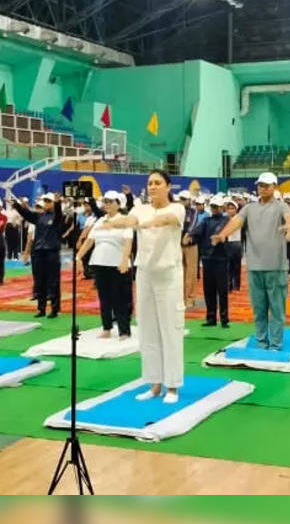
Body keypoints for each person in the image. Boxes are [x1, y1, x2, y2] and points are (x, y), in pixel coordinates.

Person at [100, 170, 186, 403]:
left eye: (158, 183)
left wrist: (145, 224)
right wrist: (114, 223)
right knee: (147, 329)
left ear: (168, 186)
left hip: (168, 273)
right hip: (145, 272)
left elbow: (164, 220)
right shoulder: (140, 209)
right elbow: (130, 220)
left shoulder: (177, 208)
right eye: (150, 183)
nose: (153, 187)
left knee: (170, 328)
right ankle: (154, 383)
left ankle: (172, 386)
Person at [211, 172, 290, 351]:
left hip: (276, 266)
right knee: (259, 309)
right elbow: (236, 221)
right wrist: (222, 235)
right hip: (254, 266)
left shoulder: (281, 206)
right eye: (260, 185)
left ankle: (276, 344)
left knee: (277, 309)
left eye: (266, 185)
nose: (262, 188)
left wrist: (288, 227)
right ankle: (262, 342)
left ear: (274, 187)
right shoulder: (249, 208)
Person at [79, 191, 135, 338]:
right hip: (99, 262)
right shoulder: (100, 221)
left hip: (117, 264)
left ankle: (124, 330)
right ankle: (107, 327)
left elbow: (129, 242)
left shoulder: (125, 220)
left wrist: (125, 259)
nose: (107, 204)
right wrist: (78, 257)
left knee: (120, 298)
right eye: (105, 201)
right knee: (104, 298)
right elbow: (89, 241)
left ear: (119, 203)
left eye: (111, 201)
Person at [14, 192, 64, 318]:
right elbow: (27, 214)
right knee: (39, 281)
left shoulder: (57, 217)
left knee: (53, 282)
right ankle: (41, 309)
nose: (46, 203)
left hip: (52, 252)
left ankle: (54, 308)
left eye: (49, 201)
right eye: (45, 201)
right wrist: (16, 205)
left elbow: (58, 214)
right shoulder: (39, 217)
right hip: (39, 252)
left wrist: (58, 203)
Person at [191, 195, 232, 329]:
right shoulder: (206, 221)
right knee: (209, 290)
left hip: (221, 259)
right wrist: (189, 235)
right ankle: (211, 317)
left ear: (221, 207)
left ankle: (224, 318)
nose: (214, 209)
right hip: (207, 259)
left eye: (216, 207)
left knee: (222, 290)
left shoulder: (227, 220)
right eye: (213, 207)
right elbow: (196, 232)